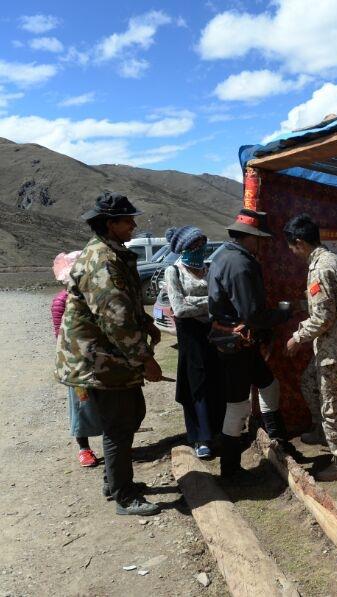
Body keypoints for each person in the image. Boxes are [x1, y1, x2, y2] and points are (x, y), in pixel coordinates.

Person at [56, 192, 164, 516]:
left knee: (129, 416)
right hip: (99, 359)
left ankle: (114, 481)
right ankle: (124, 496)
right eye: (127, 220)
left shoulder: (112, 253)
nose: (133, 224)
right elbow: (115, 317)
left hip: (108, 356)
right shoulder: (102, 260)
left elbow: (126, 303)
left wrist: (146, 322)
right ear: (110, 224)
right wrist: (145, 358)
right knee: (120, 423)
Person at [207, 208, 290, 480]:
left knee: (268, 384)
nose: (261, 243)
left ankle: (278, 441)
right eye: (259, 238)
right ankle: (230, 470)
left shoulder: (223, 256)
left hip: (240, 344)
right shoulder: (240, 264)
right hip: (237, 345)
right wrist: (283, 313)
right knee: (238, 405)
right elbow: (252, 314)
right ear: (250, 237)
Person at [284, 214, 337, 482]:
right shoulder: (336, 261)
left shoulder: (321, 268)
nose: (293, 253)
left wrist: (297, 337)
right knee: (309, 383)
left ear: (300, 242)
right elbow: (333, 305)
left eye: (292, 247)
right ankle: (321, 431)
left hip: (334, 350)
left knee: (332, 406)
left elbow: (323, 317)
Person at [164, 226, 224, 460]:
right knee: (195, 385)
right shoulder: (174, 272)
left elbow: (221, 301)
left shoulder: (208, 270)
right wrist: (209, 301)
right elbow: (179, 308)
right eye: (194, 246)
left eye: (202, 245)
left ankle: (217, 430)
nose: (200, 250)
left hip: (212, 334)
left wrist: (196, 301)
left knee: (215, 381)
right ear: (183, 249)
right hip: (190, 339)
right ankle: (201, 437)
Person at [52, 251, 104, 468]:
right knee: (81, 405)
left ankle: (113, 444)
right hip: (77, 363)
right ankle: (84, 448)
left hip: (101, 359)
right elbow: (60, 336)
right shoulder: (61, 302)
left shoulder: (95, 297)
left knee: (107, 402)